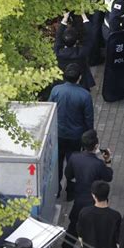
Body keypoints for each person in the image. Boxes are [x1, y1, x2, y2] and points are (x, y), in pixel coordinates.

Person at [62, 129, 113, 248]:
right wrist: (107, 161)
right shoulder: (98, 164)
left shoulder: (74, 158)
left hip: (79, 199)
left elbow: (68, 175)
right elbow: (108, 177)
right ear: (96, 146)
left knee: (73, 225)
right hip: (94, 202)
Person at [48, 63, 94, 199]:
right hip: (76, 136)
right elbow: (88, 119)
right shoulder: (84, 95)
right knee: (73, 163)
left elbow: (49, 110)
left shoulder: (56, 90)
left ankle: (56, 190)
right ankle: (71, 192)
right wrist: (90, 137)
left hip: (58, 134)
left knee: (57, 162)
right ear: (79, 77)